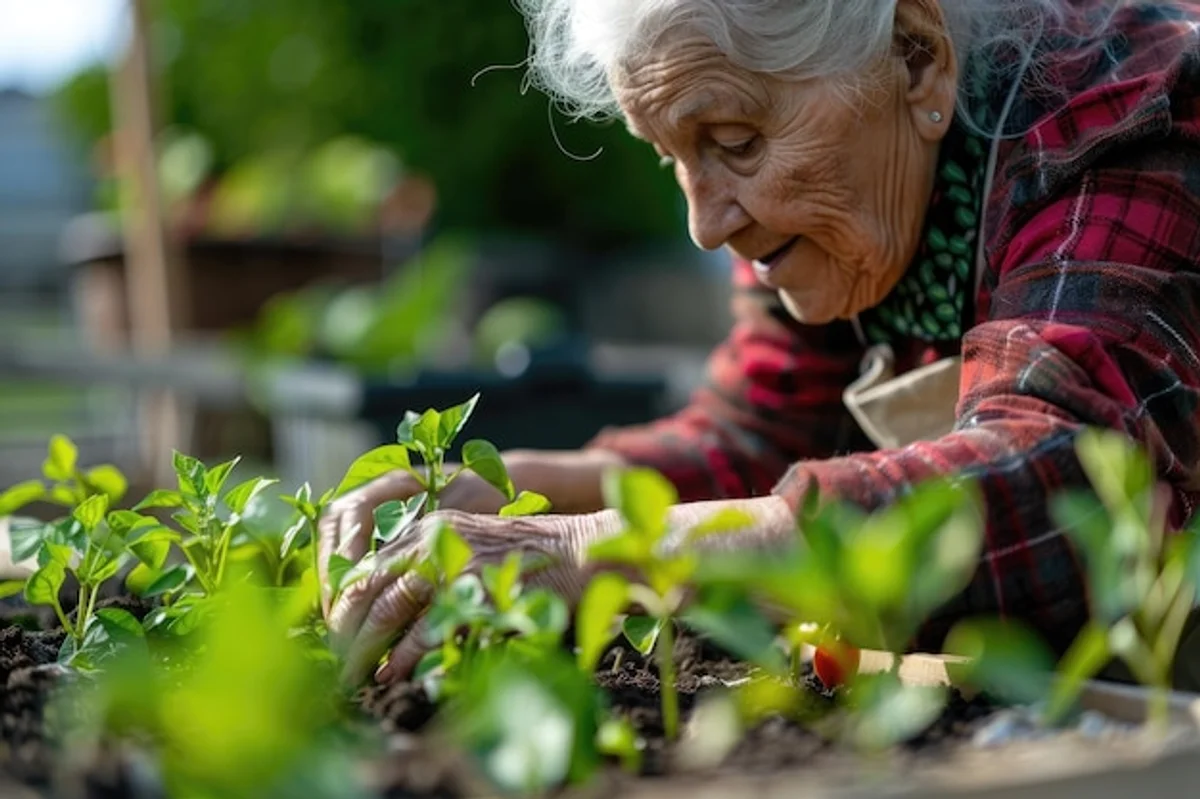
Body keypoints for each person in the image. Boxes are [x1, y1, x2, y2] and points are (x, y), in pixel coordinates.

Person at [320, 0, 1200, 686]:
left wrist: (588, 550)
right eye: (673, 157)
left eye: (735, 142)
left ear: (916, 57)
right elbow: (755, 438)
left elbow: (1057, 482)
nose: (706, 223)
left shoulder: (1127, 126)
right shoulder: (844, 187)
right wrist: (514, 495)